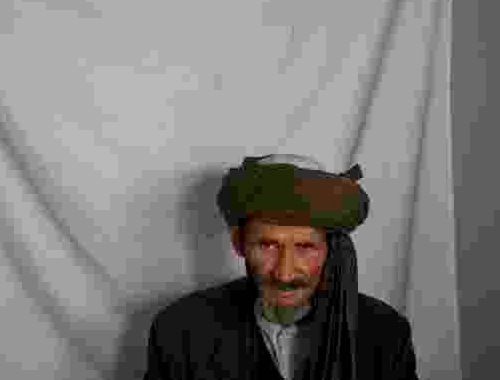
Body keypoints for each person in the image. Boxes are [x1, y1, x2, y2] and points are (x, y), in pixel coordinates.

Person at [143, 154, 418, 380]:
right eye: (267, 246)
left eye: (305, 248)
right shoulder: (181, 331)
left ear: (331, 250)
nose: (284, 273)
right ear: (239, 243)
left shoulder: (385, 334)